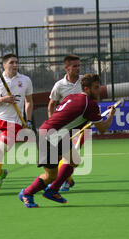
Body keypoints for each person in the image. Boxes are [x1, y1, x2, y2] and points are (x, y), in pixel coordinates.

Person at [18, 74, 116, 208]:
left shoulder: (72, 97)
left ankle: (52, 191)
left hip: (57, 134)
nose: (99, 90)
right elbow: (103, 129)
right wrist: (111, 115)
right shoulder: (90, 104)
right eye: (96, 88)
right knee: (50, 176)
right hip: (48, 137)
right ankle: (26, 193)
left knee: (74, 160)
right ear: (87, 89)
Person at [0, 53, 34, 196]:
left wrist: (28, 120)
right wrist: (3, 99)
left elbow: (29, 101)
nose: (15, 65)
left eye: (16, 62)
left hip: (13, 124)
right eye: (11, 62)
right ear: (4, 65)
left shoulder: (25, 80)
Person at [47, 54, 83, 192]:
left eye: (79, 65)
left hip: (81, 127)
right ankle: (68, 179)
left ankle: (64, 181)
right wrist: (52, 122)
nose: (78, 69)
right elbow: (51, 105)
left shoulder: (84, 82)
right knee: (62, 157)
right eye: (75, 66)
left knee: (70, 157)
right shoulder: (59, 86)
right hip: (63, 127)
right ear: (66, 68)